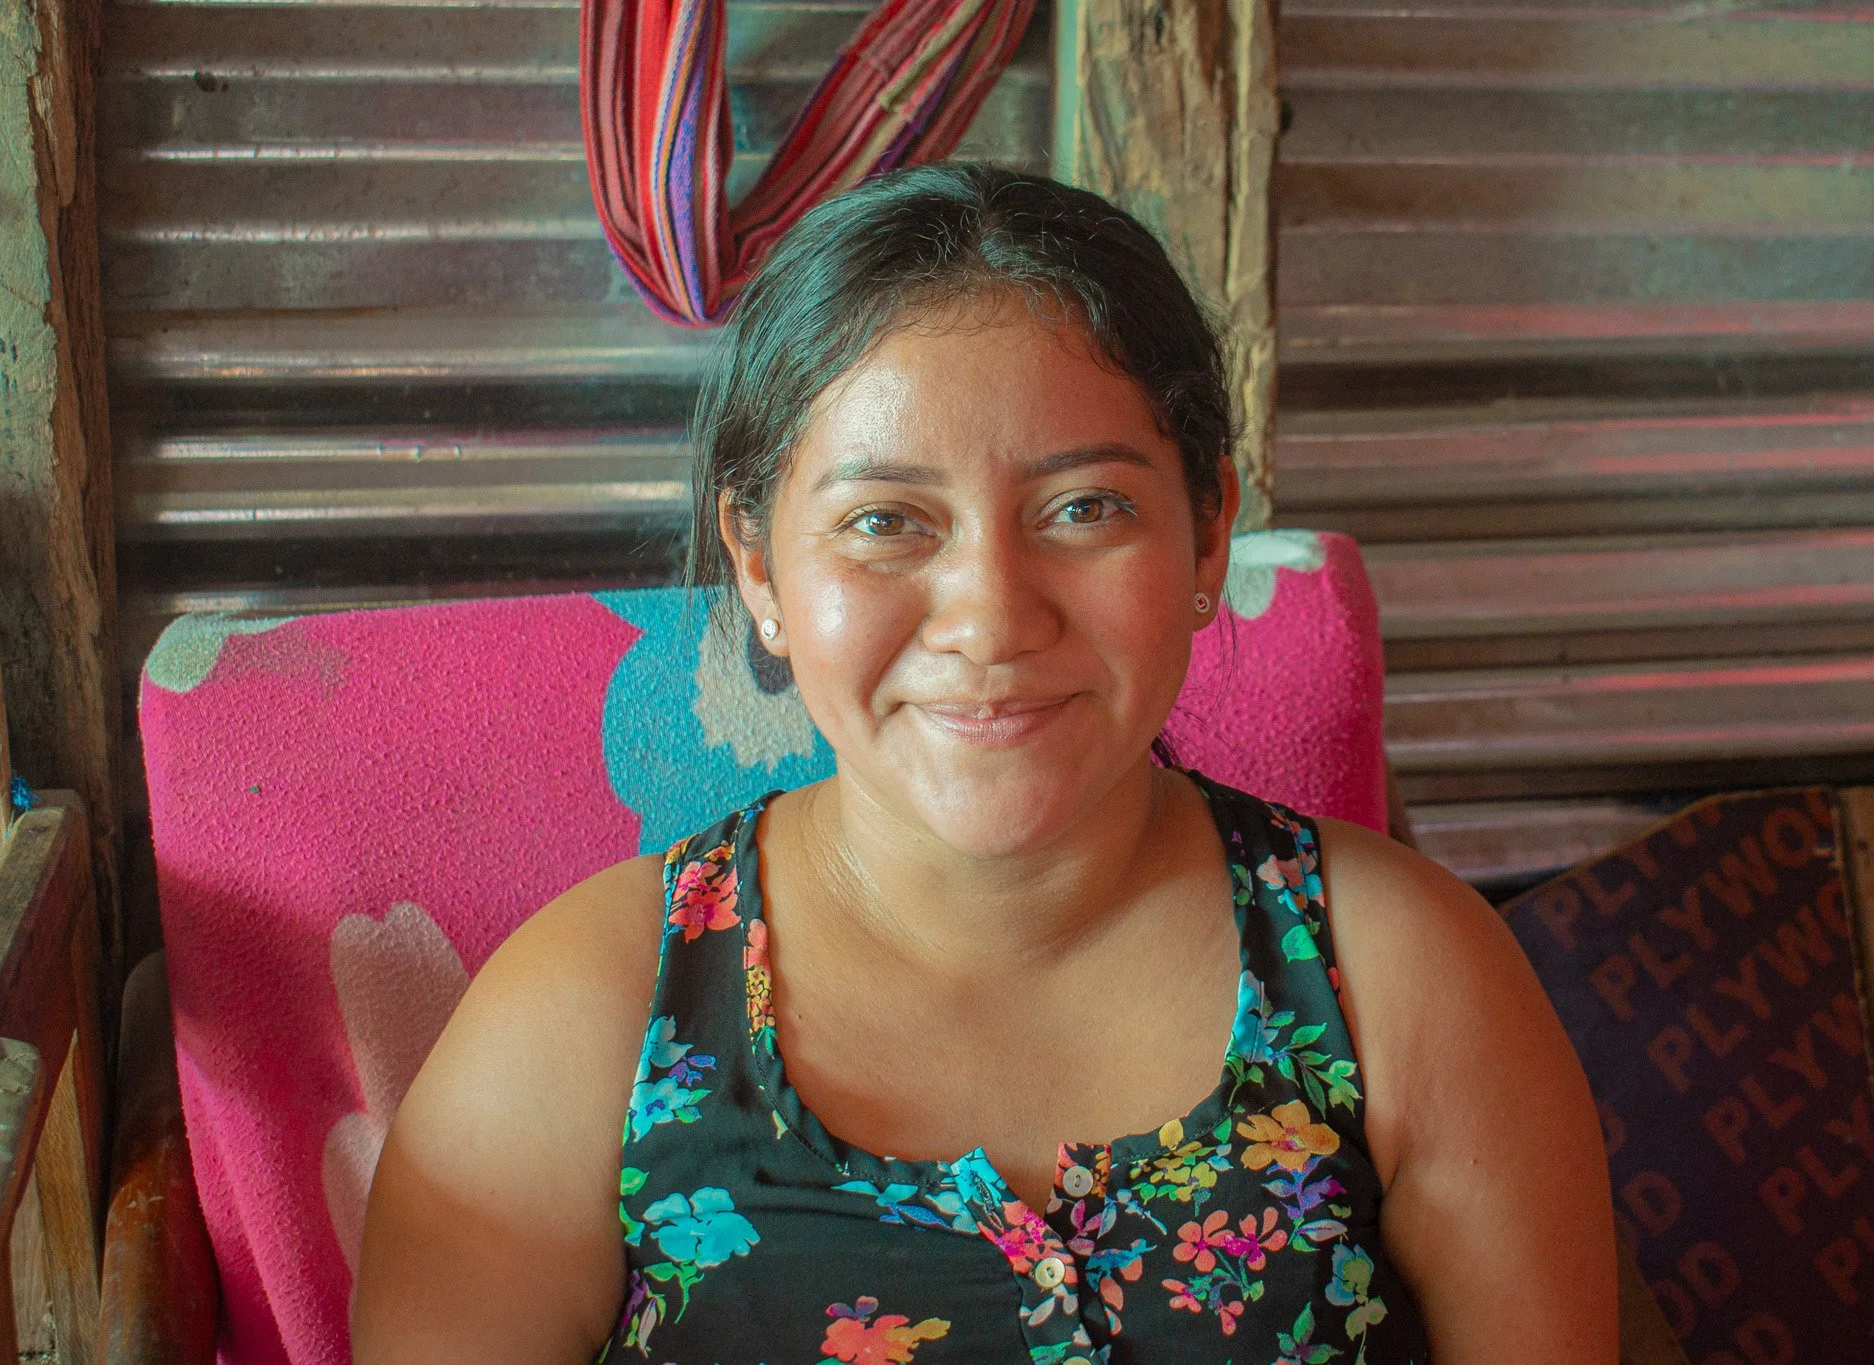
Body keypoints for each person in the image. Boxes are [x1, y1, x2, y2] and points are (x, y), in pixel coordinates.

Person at [353, 164, 1617, 1364]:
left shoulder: (1401, 979)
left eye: (1084, 508)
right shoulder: (590, 1020)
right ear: (758, 568)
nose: (990, 619)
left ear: (1205, 534)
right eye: (883, 522)